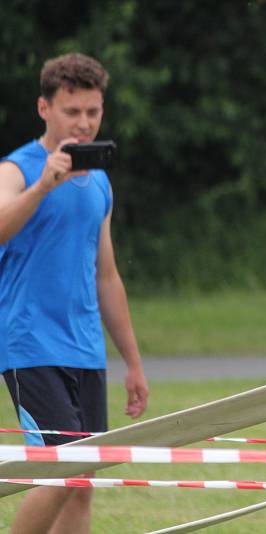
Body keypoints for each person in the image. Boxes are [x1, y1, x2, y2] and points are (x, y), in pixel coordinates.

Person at [0, 52, 149, 534]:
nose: (83, 124)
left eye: (93, 111)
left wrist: (133, 361)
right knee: (60, 470)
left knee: (83, 479)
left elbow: (106, 276)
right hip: (29, 345)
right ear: (44, 108)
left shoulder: (100, 182)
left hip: (85, 350)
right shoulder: (17, 170)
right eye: (72, 111)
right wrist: (44, 185)